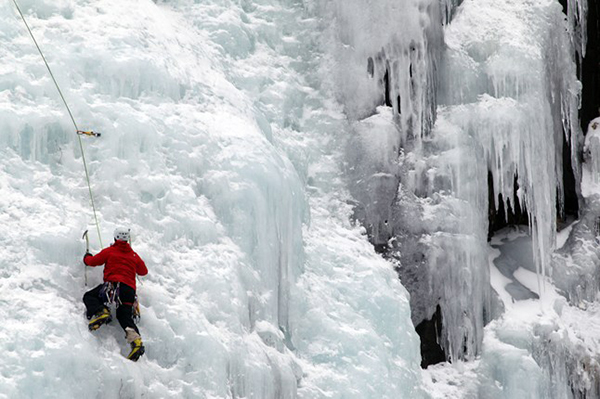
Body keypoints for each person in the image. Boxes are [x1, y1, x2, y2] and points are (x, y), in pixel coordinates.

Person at [82, 227, 148, 361]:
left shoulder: (110, 251)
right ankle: (136, 341)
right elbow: (143, 271)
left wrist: (87, 258)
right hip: (129, 291)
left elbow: (93, 262)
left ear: (115, 238)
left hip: (113, 286)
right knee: (124, 316)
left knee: (89, 296)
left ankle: (101, 311)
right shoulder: (134, 255)